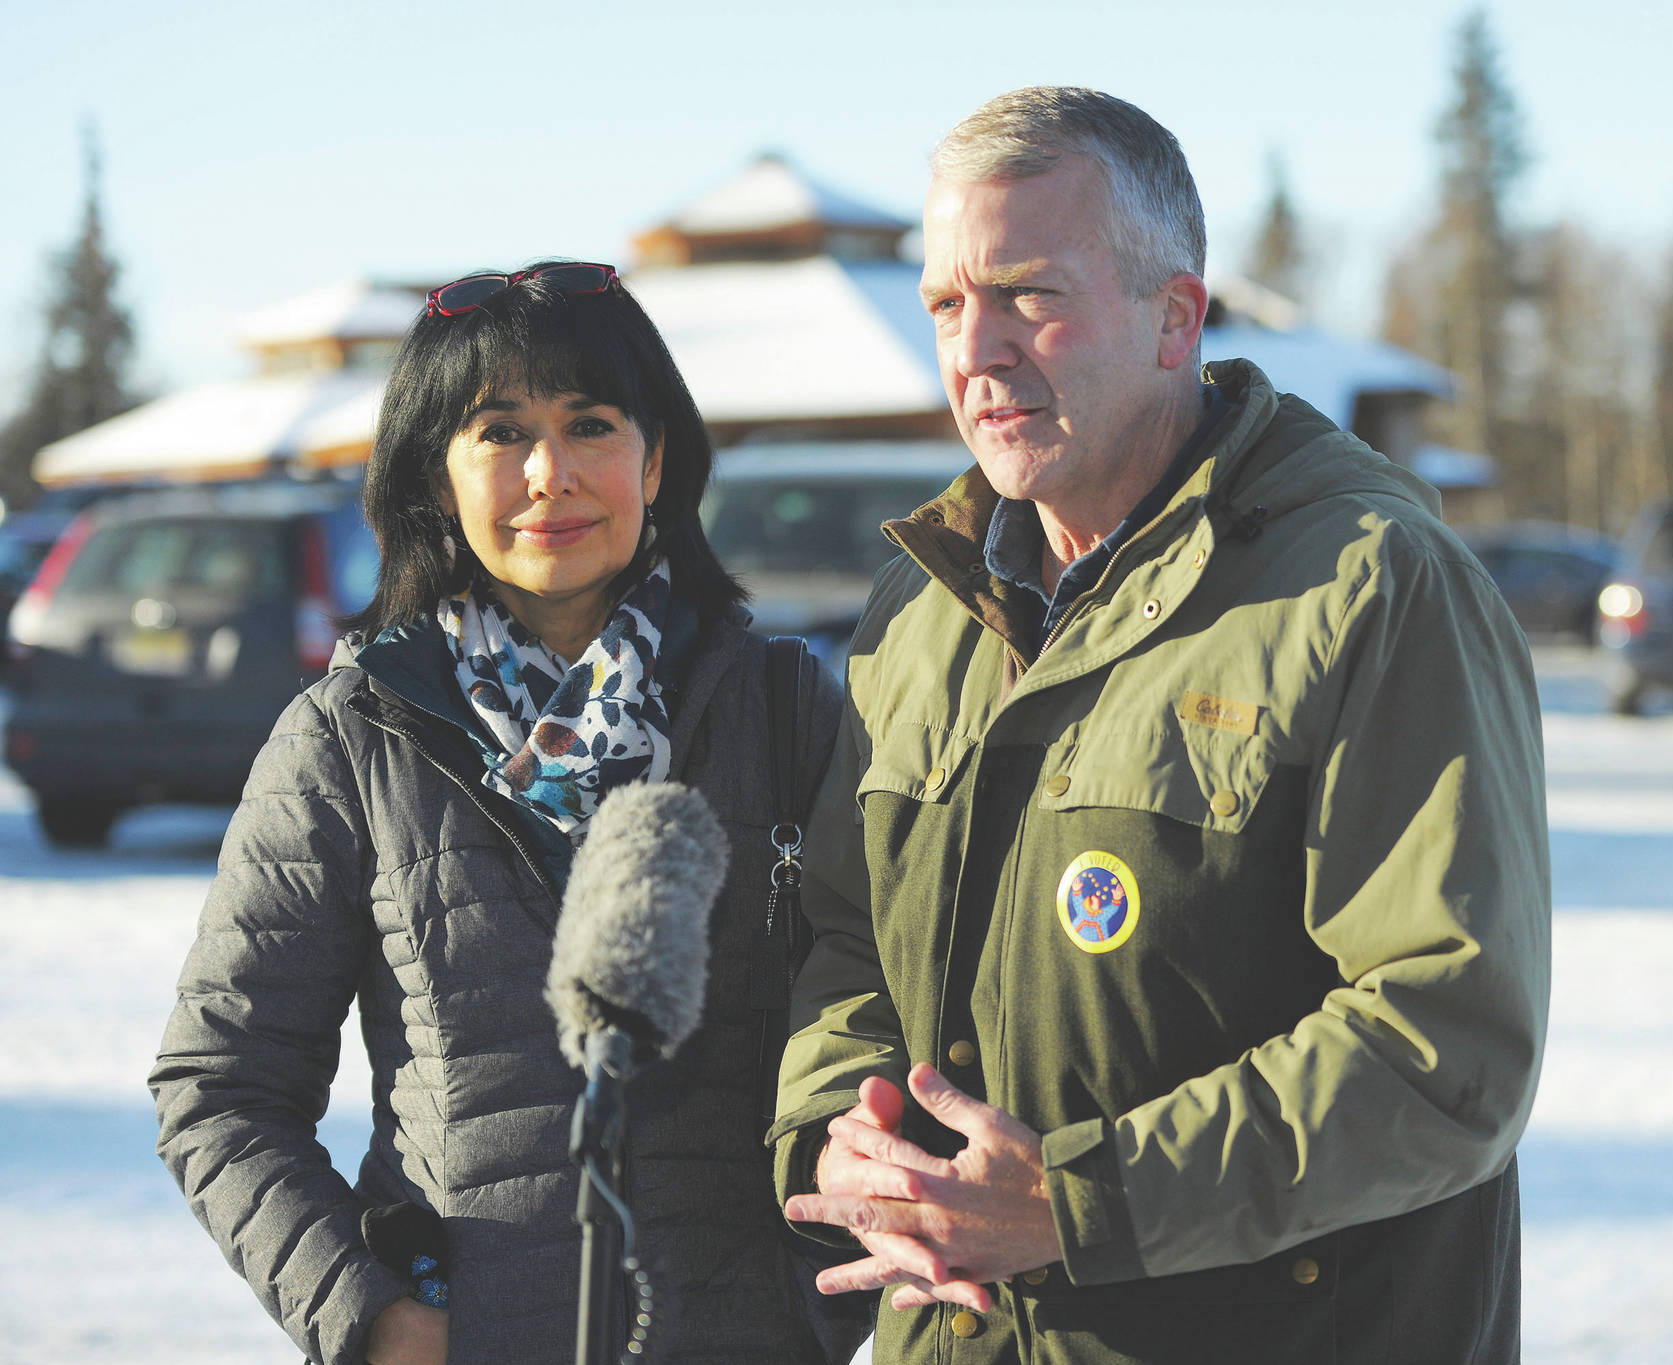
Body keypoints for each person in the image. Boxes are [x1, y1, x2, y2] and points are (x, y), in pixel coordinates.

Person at [770, 89, 1551, 1364]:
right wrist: (832, 1132)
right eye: (943, 304)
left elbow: (1443, 1043)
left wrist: (1084, 1204)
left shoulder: (1367, 582)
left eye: (1028, 292)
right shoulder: (921, 604)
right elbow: (845, 943)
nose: (977, 349)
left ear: (1172, 318)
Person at [150, 263, 842, 1364]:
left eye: (590, 425)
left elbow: (881, 1023)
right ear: (436, 473)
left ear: (655, 460)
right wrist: (374, 1321)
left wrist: (807, 1304)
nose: (549, 474)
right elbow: (220, 1088)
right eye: (501, 432)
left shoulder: (787, 712)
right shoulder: (349, 737)